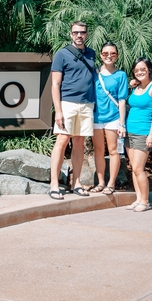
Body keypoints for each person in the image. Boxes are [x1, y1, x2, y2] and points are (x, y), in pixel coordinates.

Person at [49, 21, 96, 199]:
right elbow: (55, 84)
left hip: (86, 104)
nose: (79, 35)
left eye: (82, 32)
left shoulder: (91, 54)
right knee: (62, 140)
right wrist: (58, 110)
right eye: (75, 32)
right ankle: (54, 184)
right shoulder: (62, 54)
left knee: (79, 141)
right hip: (67, 103)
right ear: (70, 34)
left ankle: (76, 182)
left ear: (86, 34)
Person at [90, 42, 128, 195]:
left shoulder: (121, 75)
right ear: (101, 55)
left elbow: (122, 100)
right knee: (98, 151)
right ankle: (100, 183)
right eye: (105, 53)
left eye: (112, 53)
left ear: (117, 55)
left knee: (113, 151)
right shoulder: (94, 73)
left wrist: (122, 123)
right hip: (96, 117)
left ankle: (111, 184)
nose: (109, 56)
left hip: (113, 118)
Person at [124, 57, 152, 212]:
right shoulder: (136, 87)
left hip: (143, 133)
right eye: (137, 69)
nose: (139, 72)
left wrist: (151, 135)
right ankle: (138, 198)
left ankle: (145, 201)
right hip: (129, 131)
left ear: (149, 70)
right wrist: (130, 85)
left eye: (143, 69)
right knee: (133, 168)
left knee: (139, 168)